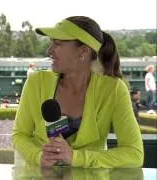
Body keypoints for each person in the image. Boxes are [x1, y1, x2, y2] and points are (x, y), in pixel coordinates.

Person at [12, 16, 143, 168]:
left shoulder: (113, 89)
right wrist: (38, 157)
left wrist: (76, 157)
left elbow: (134, 154)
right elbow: (20, 135)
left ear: (83, 51)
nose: (49, 51)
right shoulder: (36, 82)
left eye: (58, 44)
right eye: (51, 43)